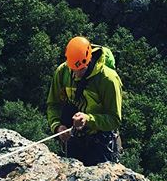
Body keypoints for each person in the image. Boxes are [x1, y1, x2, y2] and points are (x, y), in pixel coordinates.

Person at [47, 36, 122, 166]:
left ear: (89, 60)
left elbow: (114, 120)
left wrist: (88, 119)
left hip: (100, 142)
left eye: (81, 69)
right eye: (73, 69)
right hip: (74, 139)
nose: (76, 74)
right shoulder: (63, 72)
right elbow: (53, 105)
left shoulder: (108, 80)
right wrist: (57, 127)